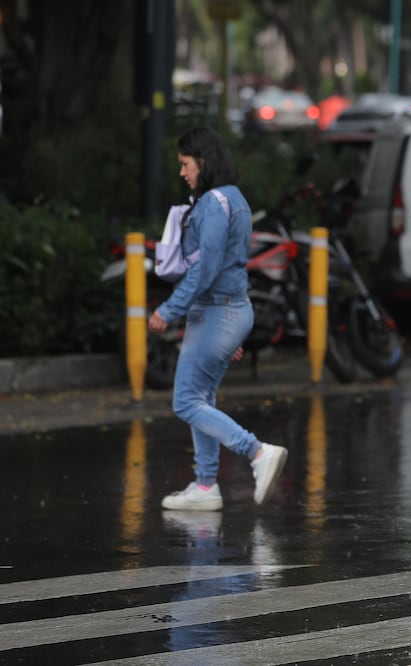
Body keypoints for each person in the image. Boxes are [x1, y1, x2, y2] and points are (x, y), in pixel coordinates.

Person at [150, 127, 287, 512]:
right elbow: (228, 264)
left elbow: (206, 268)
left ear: (204, 162)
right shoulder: (237, 200)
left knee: (186, 401)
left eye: (185, 164)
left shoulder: (212, 203)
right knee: (202, 398)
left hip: (216, 311)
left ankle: (257, 452)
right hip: (230, 311)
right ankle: (207, 486)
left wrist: (169, 309)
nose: (182, 173)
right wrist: (229, 331)